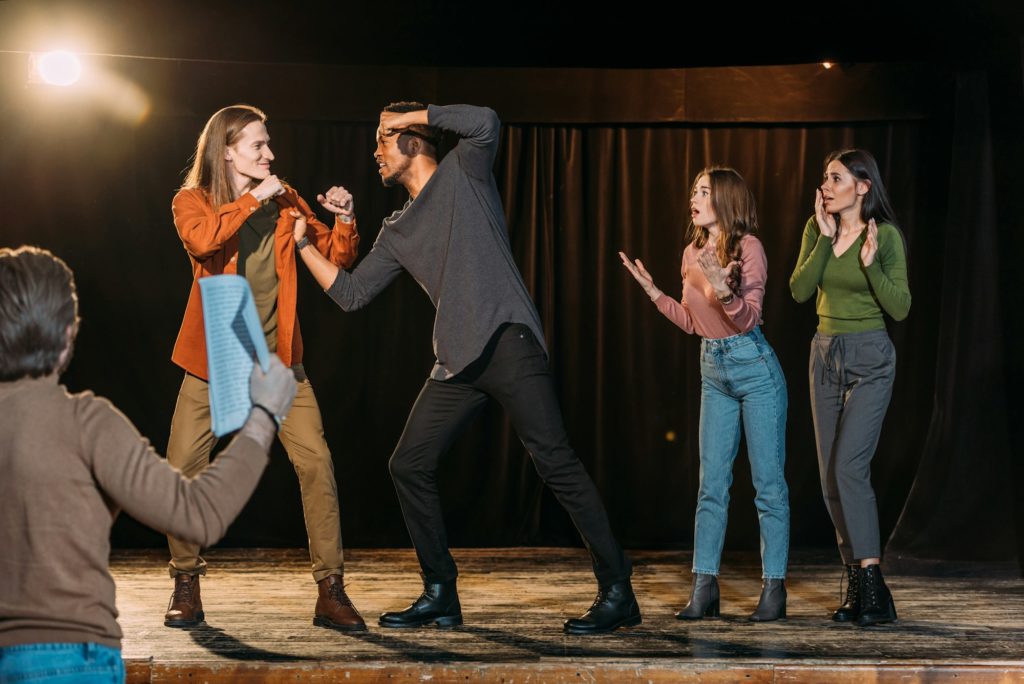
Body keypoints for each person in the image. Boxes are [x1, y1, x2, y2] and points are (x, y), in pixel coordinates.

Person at [294, 102, 639, 635]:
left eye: (382, 140)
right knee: (408, 464)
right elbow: (354, 295)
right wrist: (304, 248)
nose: (375, 153)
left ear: (411, 141)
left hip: (507, 341)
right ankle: (440, 594)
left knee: (556, 464)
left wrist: (409, 114)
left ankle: (618, 590)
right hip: (457, 361)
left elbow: (486, 122)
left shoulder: (464, 172)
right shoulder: (397, 229)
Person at [0, 245, 297, 683]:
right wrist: (264, 416)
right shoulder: (86, 423)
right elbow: (198, 515)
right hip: (71, 662)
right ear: (68, 336)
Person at [165, 104, 364, 631]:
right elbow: (204, 241)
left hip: (279, 363)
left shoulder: (283, 199)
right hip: (214, 362)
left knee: (317, 463)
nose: (270, 154)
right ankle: (186, 581)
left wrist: (343, 217)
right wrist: (254, 197)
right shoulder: (192, 201)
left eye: (268, 144)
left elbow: (335, 255)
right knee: (183, 468)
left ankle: (331, 589)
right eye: (258, 145)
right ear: (226, 151)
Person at [620, 167, 790, 622]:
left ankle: (774, 590)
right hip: (712, 369)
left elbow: (748, 318)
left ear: (727, 199)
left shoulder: (748, 247)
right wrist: (655, 293)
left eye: (704, 191)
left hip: (754, 368)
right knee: (711, 486)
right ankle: (704, 588)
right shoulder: (691, 252)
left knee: (768, 487)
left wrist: (723, 291)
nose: (694, 197)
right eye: (693, 189)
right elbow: (695, 323)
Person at [789, 149, 911, 627]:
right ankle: (862, 586)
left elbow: (900, 307)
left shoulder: (887, 237)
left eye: (835, 178)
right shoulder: (815, 229)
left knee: (849, 467)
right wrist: (822, 241)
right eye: (824, 177)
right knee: (827, 478)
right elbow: (799, 291)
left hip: (870, 358)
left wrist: (869, 264)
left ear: (863, 186)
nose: (825, 185)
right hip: (824, 354)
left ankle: (871, 580)